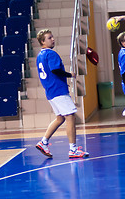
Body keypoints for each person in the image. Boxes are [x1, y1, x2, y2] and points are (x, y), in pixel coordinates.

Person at [35, 29, 89, 158]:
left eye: (52, 37)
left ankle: (43, 142)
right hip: (58, 90)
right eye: (49, 38)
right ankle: (73, 149)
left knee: (60, 118)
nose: (53, 39)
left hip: (50, 91)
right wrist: (70, 75)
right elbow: (55, 70)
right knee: (70, 117)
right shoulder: (51, 54)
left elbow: (49, 73)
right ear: (42, 41)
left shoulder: (39, 56)